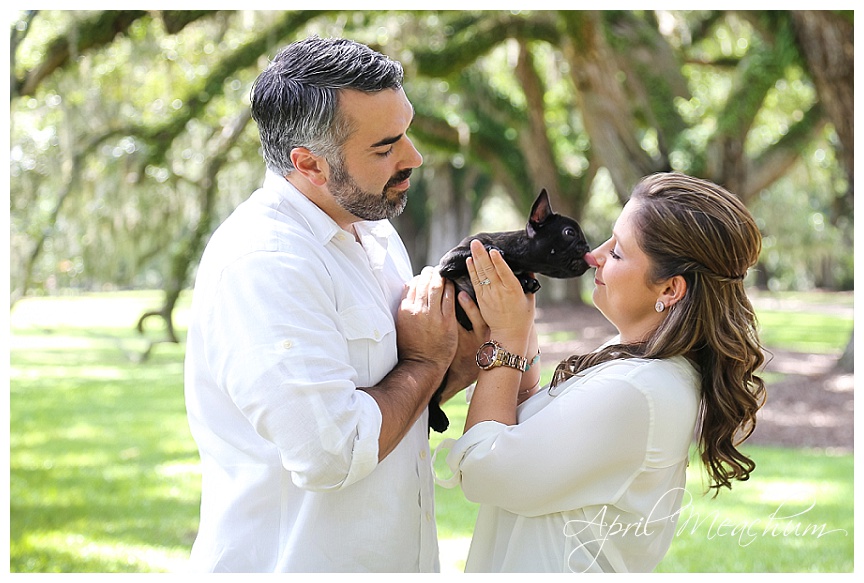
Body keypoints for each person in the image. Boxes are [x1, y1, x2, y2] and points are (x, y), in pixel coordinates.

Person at [184, 36, 480, 572]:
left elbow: (393, 399)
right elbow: (333, 452)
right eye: (385, 146)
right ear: (309, 164)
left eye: (407, 131)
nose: (414, 157)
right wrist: (425, 361)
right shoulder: (265, 261)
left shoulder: (376, 233)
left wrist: (458, 361)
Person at [440, 172, 766, 572]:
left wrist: (506, 336)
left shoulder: (637, 390)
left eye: (617, 253)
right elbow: (525, 431)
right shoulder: (637, 363)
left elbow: (481, 470)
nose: (594, 255)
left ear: (669, 290)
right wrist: (519, 327)